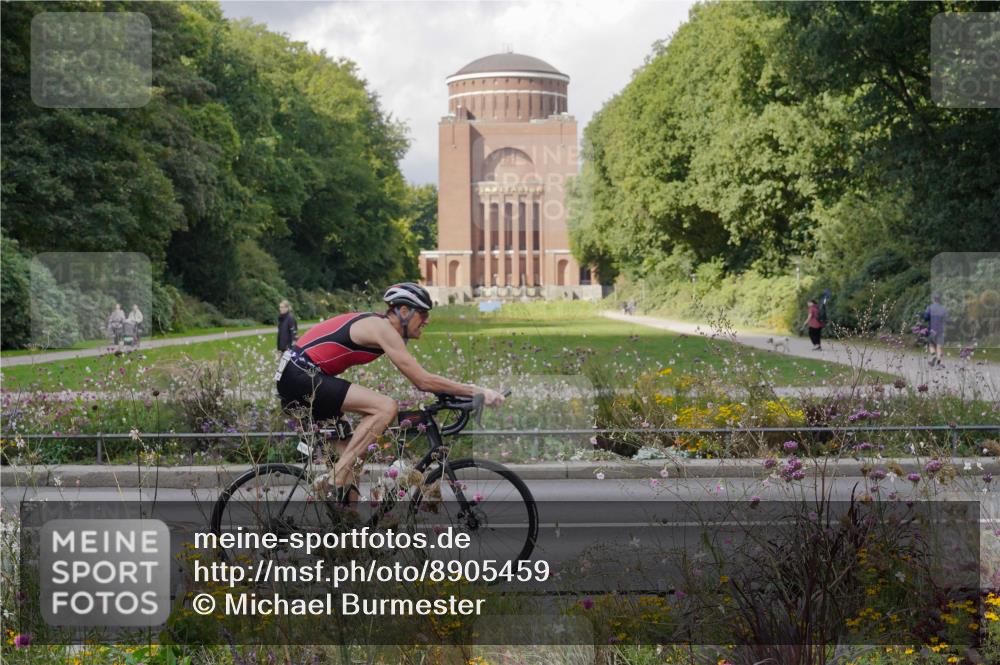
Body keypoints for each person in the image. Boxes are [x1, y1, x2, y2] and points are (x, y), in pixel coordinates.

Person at [275, 283, 505, 505]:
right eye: (423, 314)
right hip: (300, 374)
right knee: (385, 407)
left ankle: (347, 525)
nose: (427, 320)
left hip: (300, 375)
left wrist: (455, 393)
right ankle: (335, 477)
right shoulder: (382, 327)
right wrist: (477, 391)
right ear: (404, 311)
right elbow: (422, 381)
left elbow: (423, 379)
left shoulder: (381, 327)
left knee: (354, 459)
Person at [924, 293, 948, 367]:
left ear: (933, 299)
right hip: (940, 330)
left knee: (931, 344)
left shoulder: (929, 307)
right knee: (939, 346)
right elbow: (946, 320)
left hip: (932, 329)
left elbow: (926, 317)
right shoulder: (943, 308)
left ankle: (934, 355)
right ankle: (938, 363)